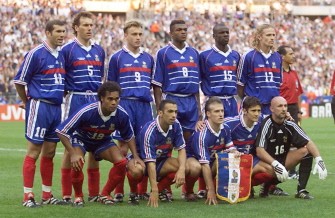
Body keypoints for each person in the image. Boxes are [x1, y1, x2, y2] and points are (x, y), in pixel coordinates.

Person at [56, 81, 145, 207]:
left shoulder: (122, 114)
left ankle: (105, 194)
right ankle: (78, 197)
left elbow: (129, 136)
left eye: (116, 99)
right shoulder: (87, 111)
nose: (114, 102)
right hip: (82, 138)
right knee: (77, 162)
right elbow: (61, 131)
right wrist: (72, 153)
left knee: (121, 163)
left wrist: (135, 156)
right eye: (110, 99)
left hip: (102, 140)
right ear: (102, 98)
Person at [13, 19, 67, 208]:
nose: (62, 35)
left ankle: (47, 194)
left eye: (64, 31)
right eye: (58, 31)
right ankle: (27, 195)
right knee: (34, 151)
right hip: (40, 105)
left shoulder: (63, 54)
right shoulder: (35, 53)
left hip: (56, 108)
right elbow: (20, 81)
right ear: (47, 32)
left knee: (50, 152)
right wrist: (27, 102)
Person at [152, 19, 201, 199]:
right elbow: (157, 84)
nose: (183, 32)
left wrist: (199, 110)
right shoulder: (163, 53)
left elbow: (197, 85)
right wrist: (160, 107)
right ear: (171, 33)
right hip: (172, 100)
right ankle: (164, 187)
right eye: (179, 30)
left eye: (185, 29)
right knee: (168, 144)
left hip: (190, 102)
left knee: (188, 145)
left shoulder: (194, 53)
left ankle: (187, 190)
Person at [60, 11, 106, 204]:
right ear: (76, 28)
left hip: (95, 101)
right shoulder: (68, 50)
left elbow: (101, 76)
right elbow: (62, 77)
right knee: (71, 148)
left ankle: (94, 193)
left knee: (94, 146)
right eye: (85, 25)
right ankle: (66, 194)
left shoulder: (99, 50)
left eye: (91, 25)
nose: (89, 28)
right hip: (76, 98)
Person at [107, 20, 154, 203]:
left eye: (140, 34)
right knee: (123, 148)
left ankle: (139, 191)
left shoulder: (149, 58)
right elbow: (111, 85)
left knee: (144, 147)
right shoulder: (117, 58)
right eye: (134, 34)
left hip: (143, 106)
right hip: (124, 105)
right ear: (125, 35)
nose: (137, 37)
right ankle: (118, 191)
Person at [255, 96, 328, 199]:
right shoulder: (266, 124)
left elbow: (308, 141)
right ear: (271, 109)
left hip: (283, 160)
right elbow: (260, 150)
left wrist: (319, 159)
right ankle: (263, 186)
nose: (284, 108)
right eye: (280, 106)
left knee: (306, 151)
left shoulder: (290, 123)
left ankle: (301, 190)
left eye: (285, 106)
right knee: (272, 171)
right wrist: (275, 164)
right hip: (266, 163)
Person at [185, 97, 240, 205]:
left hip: (211, 159)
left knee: (228, 159)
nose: (221, 114)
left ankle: (223, 191)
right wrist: (210, 190)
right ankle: (189, 191)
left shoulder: (225, 128)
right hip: (194, 160)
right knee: (196, 167)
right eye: (216, 111)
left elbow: (231, 148)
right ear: (208, 114)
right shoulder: (202, 134)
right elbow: (205, 164)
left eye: (222, 111)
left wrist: (235, 153)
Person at [135, 99, 187, 207]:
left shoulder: (176, 125)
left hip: (161, 161)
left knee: (186, 167)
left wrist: (182, 170)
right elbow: (150, 163)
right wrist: (154, 189)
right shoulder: (149, 130)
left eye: (175, 112)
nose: (174, 115)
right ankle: (134, 193)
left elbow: (181, 149)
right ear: (160, 113)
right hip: (143, 162)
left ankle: (161, 190)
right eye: (170, 111)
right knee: (136, 170)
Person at [237, 24, 282, 115]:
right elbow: (240, 85)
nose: (272, 38)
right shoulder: (248, 56)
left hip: (271, 107)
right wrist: (249, 101)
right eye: (268, 35)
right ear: (259, 37)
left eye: (273, 35)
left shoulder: (278, 57)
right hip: (253, 107)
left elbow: (278, 84)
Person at [199, 23, 240, 118]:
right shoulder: (205, 56)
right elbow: (200, 80)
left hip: (232, 101)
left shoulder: (236, 55)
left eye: (227, 32)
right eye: (222, 32)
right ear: (214, 36)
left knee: (232, 130)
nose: (225, 34)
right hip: (214, 101)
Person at [278, 45, 304, 179]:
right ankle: (283, 169)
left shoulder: (294, 73)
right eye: (290, 53)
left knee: (295, 141)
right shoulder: (277, 73)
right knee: (282, 141)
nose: (293, 56)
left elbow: (299, 93)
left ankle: (292, 170)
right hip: (282, 109)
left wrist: (299, 111)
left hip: (294, 110)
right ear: (282, 56)